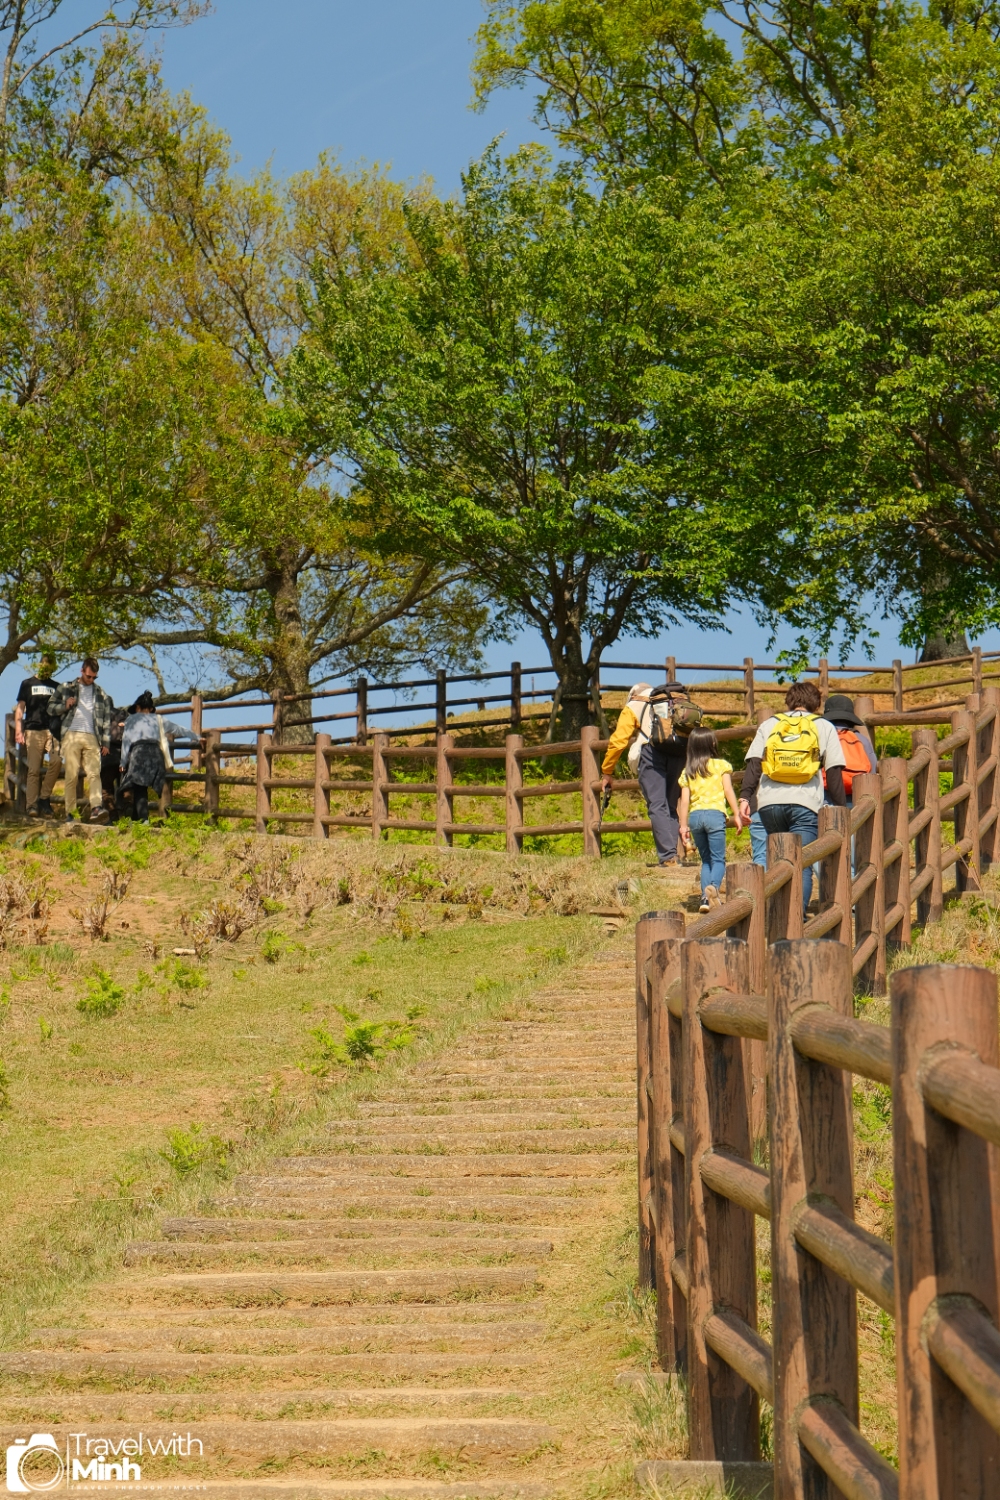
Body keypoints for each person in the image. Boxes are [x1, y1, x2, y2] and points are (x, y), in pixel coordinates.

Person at [738, 680, 847, 914]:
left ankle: (776, 916)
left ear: (789, 701)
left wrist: (745, 798)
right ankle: (795, 921)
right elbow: (834, 772)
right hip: (805, 803)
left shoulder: (770, 724)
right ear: (816, 703)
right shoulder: (823, 726)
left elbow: (754, 766)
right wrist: (841, 808)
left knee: (778, 862)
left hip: (768, 803)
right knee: (802, 864)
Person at [601, 681, 699, 866]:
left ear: (632, 694)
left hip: (652, 753)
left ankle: (668, 857)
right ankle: (673, 856)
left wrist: (607, 771)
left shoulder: (634, 704)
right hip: (678, 753)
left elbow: (619, 740)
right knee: (670, 806)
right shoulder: (671, 701)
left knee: (657, 804)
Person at [678, 729, 744, 913]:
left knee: (706, 860)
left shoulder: (688, 771)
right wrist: (737, 814)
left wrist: (683, 826)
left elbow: (684, 801)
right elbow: (729, 790)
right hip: (715, 816)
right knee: (718, 859)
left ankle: (704, 900)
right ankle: (713, 888)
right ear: (713, 744)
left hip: (696, 817)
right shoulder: (721, 765)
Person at [47, 658, 113, 824]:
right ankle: (71, 813)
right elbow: (50, 707)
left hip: (92, 737)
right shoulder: (66, 687)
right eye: (89, 676)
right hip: (71, 734)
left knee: (94, 773)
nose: (91, 680)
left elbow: (106, 719)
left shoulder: (100, 693)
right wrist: (65, 705)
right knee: (71, 775)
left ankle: (96, 808)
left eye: (94, 677)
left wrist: (106, 742)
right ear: (82, 671)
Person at [118, 692, 201, 822]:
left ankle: (143, 820)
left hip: (139, 753)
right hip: (156, 754)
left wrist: (123, 763)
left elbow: (126, 742)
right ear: (151, 709)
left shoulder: (131, 720)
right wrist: (198, 737)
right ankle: (135, 820)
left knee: (139, 787)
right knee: (139, 786)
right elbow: (178, 729)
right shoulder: (159, 719)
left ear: (138, 707)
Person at [15, 652, 61, 817]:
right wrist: (19, 731)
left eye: (50, 668)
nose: (47, 670)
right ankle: (32, 806)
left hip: (52, 731)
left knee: (56, 760)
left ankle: (44, 797)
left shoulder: (57, 686)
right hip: (33, 730)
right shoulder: (27, 684)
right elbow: (21, 708)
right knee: (33, 769)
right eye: (45, 666)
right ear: (40, 665)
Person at [822, 694, 875, 804]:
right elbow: (872, 770)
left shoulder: (821, 737)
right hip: (856, 798)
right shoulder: (861, 739)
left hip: (826, 799)